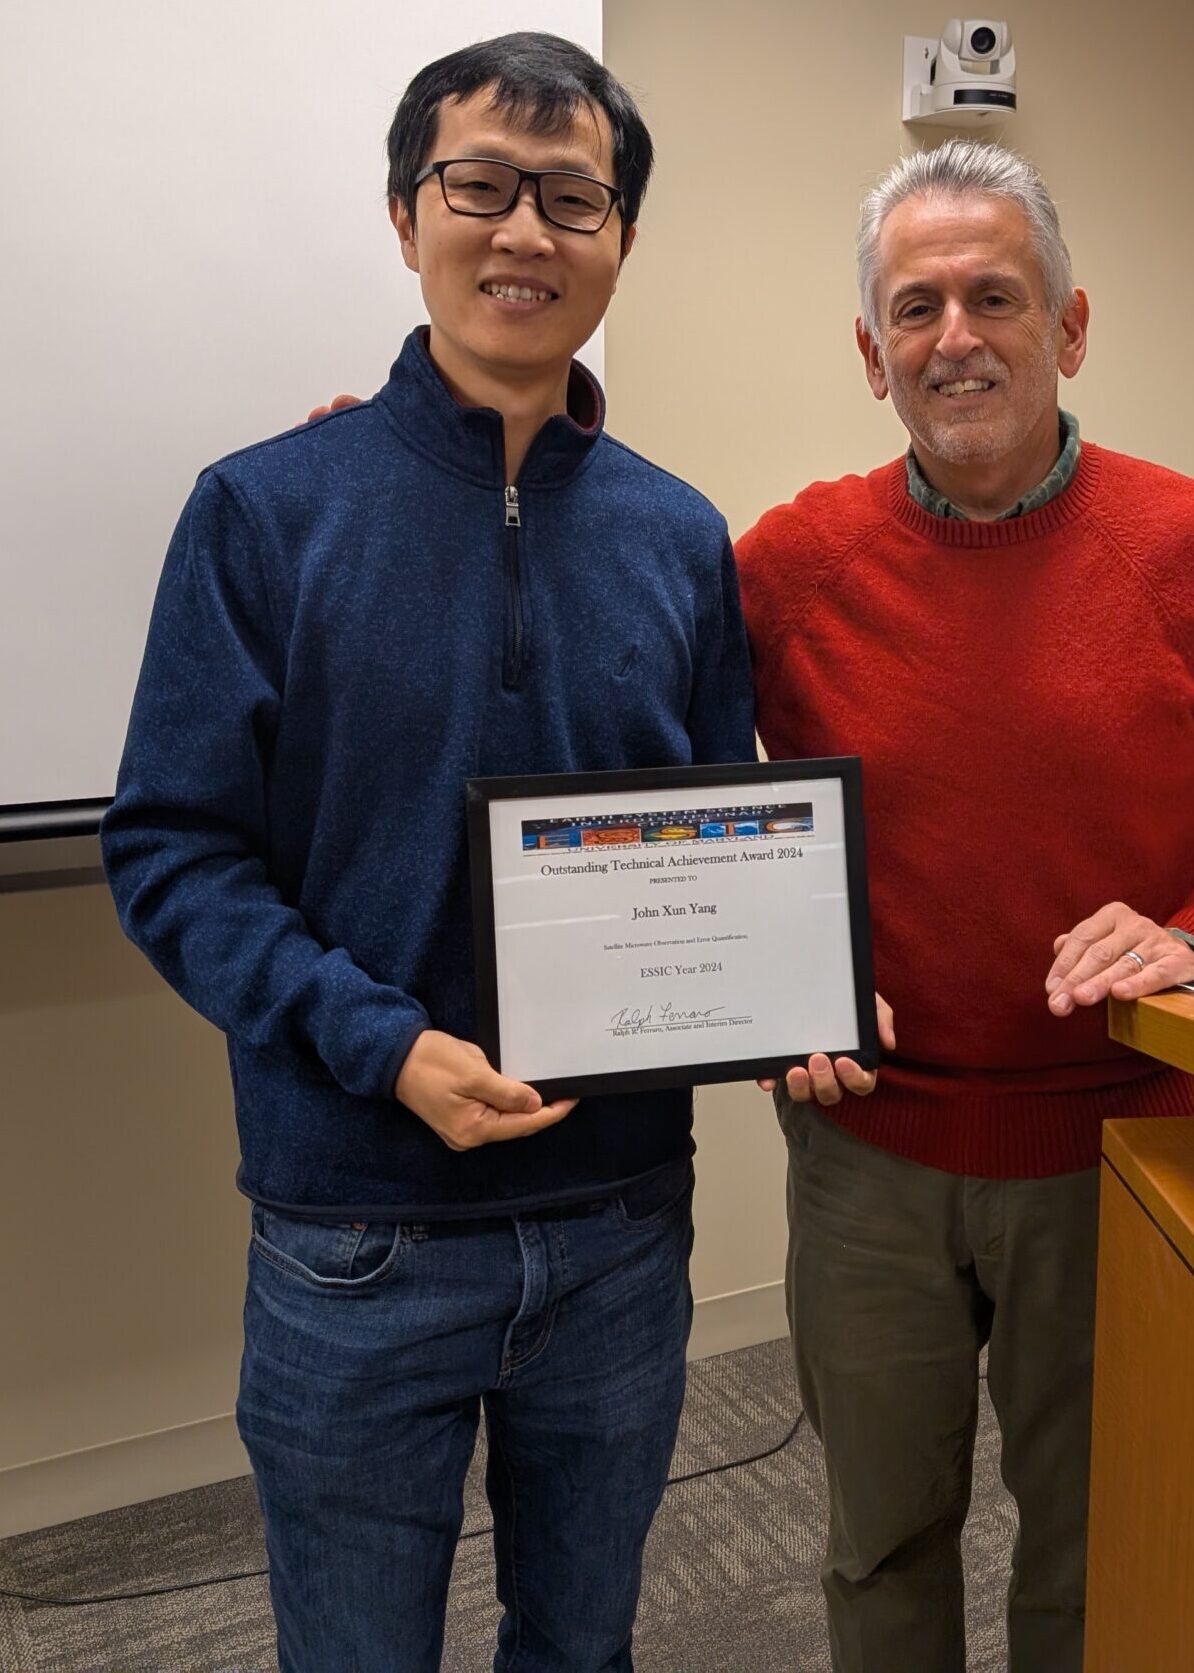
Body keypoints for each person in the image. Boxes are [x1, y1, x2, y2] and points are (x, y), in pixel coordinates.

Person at [102, 34, 757, 1673]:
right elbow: (174, 851)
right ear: (409, 217)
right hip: (357, 1231)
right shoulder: (264, 510)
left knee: (583, 1648)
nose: (525, 232)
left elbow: (715, 838)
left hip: (619, 1222)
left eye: (573, 198)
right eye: (481, 186)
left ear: (618, 241)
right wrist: (380, 1046)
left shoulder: (682, 535)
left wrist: (775, 991)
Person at [735, 140, 1194, 1673]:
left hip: (1121, 1146)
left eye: (992, 297)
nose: (952, 335)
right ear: (870, 352)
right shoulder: (787, 564)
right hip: (867, 1150)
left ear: (1068, 329)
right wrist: (775, 978)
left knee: (1093, 1548)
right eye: (915, 307)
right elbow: (676, 801)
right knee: (878, 1541)